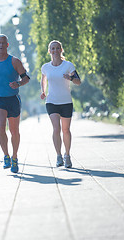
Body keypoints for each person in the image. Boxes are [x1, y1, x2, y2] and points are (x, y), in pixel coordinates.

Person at [0, 34, 30, 173]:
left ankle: (15, 157)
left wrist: (18, 83)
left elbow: (26, 78)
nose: (1, 45)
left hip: (13, 99)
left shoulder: (15, 61)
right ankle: (6, 156)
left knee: (14, 131)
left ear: (7, 45)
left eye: (3, 43)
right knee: (0, 127)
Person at [40, 40, 81, 168]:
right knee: (56, 129)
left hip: (66, 102)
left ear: (61, 50)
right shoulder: (45, 67)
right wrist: (43, 91)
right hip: (52, 101)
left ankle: (67, 155)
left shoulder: (68, 65)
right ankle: (58, 156)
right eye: (53, 48)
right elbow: (43, 80)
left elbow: (78, 81)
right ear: (49, 51)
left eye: (57, 48)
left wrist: (70, 78)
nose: (55, 50)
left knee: (66, 130)